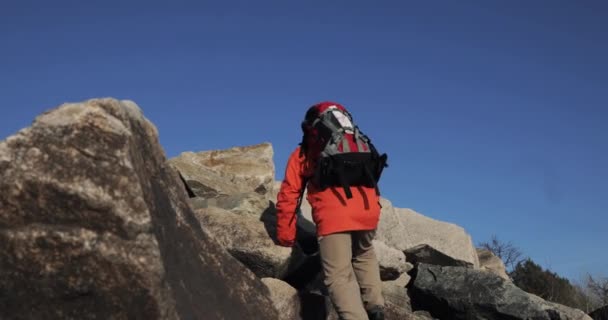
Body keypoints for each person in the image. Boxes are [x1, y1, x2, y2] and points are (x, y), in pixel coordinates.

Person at [276, 101, 385, 320]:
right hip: (368, 210)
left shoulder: (303, 153)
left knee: (338, 276)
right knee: (364, 254)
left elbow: (289, 195)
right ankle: (376, 309)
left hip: (335, 217)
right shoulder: (354, 143)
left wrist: (286, 238)